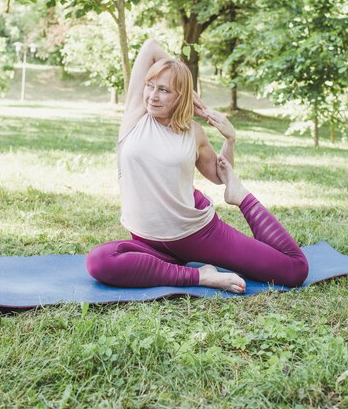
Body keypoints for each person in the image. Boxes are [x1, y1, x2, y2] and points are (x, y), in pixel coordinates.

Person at [86, 39, 308, 293]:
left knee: (294, 270)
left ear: (179, 96)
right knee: (99, 262)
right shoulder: (135, 116)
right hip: (149, 240)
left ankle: (242, 197)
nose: (153, 96)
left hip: (197, 234)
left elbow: (218, 175)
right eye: (150, 86)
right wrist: (193, 95)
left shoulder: (193, 132)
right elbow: (150, 47)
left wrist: (229, 140)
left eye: (164, 90)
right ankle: (200, 276)